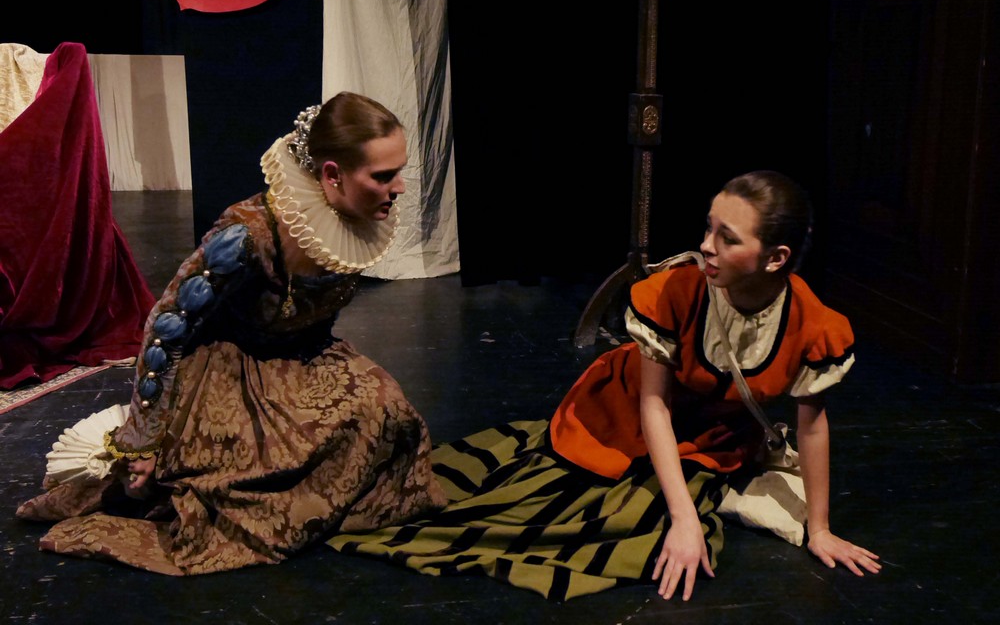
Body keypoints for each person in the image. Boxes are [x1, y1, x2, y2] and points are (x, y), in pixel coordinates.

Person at [327, 170, 880, 601]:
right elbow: (652, 404)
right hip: (626, 408)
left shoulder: (815, 327)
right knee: (569, 508)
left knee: (640, 523)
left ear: (776, 259)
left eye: (727, 238)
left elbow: (812, 426)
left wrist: (819, 529)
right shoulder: (674, 293)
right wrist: (685, 518)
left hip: (713, 433)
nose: (707, 245)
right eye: (708, 227)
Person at [17, 92, 446, 575]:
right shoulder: (248, 234)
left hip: (304, 356)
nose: (398, 188)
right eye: (383, 176)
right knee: (253, 473)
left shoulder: (352, 221)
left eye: (398, 172)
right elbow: (166, 328)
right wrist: (142, 442)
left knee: (388, 411)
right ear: (332, 174)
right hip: (231, 367)